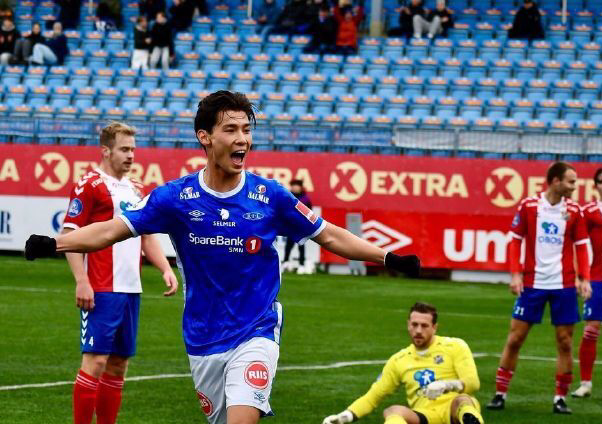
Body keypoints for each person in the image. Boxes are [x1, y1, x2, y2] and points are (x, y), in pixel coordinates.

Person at [25, 90, 421, 424]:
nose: (242, 139)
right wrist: (54, 244)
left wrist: (388, 258)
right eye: (230, 129)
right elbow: (112, 230)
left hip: (257, 330)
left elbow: (329, 234)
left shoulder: (270, 196)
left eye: (246, 130)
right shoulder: (175, 198)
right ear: (205, 137)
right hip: (203, 338)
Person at [60, 122, 178, 424]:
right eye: (124, 149)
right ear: (105, 151)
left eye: (133, 149)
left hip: (131, 289)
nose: (131, 155)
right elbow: (69, 236)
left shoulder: (137, 189)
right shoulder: (89, 185)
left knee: (118, 366)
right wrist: (82, 281)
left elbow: (146, 238)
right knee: (95, 361)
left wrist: (165, 268)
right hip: (101, 288)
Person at [486, 161, 591, 414]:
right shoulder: (529, 206)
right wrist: (515, 274)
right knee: (515, 338)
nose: (574, 186)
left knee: (565, 342)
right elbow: (515, 240)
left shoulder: (574, 210)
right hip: (532, 284)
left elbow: (581, 245)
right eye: (571, 181)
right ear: (555, 181)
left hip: (564, 285)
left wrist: (584, 278)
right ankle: (500, 394)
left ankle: (560, 399)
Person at [322, 302, 483, 424]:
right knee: (392, 411)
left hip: (453, 410)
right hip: (426, 415)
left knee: (463, 402)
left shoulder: (455, 346)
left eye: (424, 326)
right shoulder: (399, 360)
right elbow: (373, 396)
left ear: (435, 327)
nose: (418, 330)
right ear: (408, 325)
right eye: (414, 325)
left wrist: (447, 385)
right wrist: (346, 416)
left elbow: (473, 383)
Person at [571, 167, 602, 398]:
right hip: (598, 280)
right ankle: (586, 384)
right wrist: (582, 277)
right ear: (596, 187)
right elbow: (578, 245)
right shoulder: (588, 212)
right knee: (591, 331)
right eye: (601, 181)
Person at [282, 179, 313, 272]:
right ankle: (286, 262)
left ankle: (301, 265)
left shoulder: (305, 199)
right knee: (288, 245)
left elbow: (310, 213)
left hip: (301, 225)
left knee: (301, 245)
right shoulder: (288, 197)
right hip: (290, 225)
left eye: (297, 186)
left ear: (300, 187)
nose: (295, 188)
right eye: (293, 186)